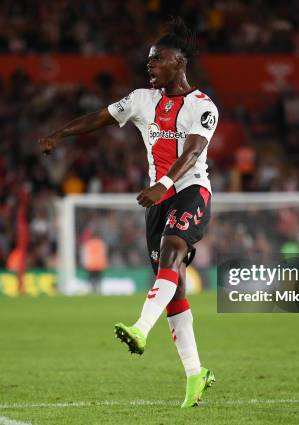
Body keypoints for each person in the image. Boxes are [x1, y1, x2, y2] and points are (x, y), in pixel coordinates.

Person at [38, 17, 218, 408]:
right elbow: (99, 118)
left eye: (158, 60)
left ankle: (140, 328)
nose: (149, 66)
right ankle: (195, 374)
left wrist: (164, 185)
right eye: (149, 60)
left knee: (172, 251)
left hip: (189, 191)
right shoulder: (141, 99)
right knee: (176, 289)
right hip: (158, 201)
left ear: (179, 63)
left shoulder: (203, 106)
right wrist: (60, 134)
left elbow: (191, 154)